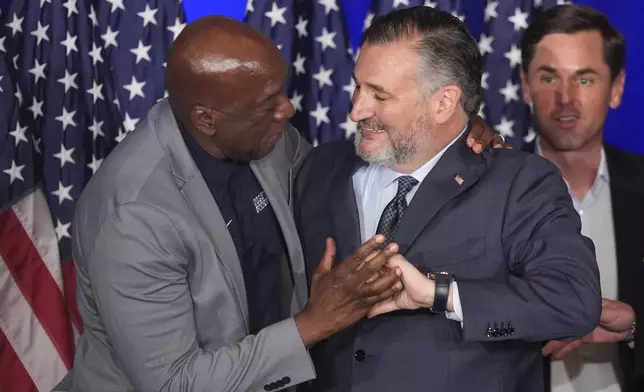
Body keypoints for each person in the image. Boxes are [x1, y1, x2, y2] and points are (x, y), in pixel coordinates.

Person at [52, 15, 502, 392]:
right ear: (206, 120)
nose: (287, 111)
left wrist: (449, 133)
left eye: (282, 92)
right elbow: (175, 383)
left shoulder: (264, 138)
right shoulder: (134, 215)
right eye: (267, 105)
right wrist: (313, 324)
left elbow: (350, 172)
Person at [293, 7, 602, 392]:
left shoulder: (520, 183)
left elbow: (574, 302)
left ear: (443, 103)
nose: (357, 109)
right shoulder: (318, 167)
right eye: (358, 86)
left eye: (380, 95)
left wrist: (440, 294)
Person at [517, 4, 644, 392]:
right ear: (525, 86)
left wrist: (636, 327)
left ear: (617, 88)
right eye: (549, 77)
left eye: (585, 79)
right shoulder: (482, 189)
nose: (566, 98)